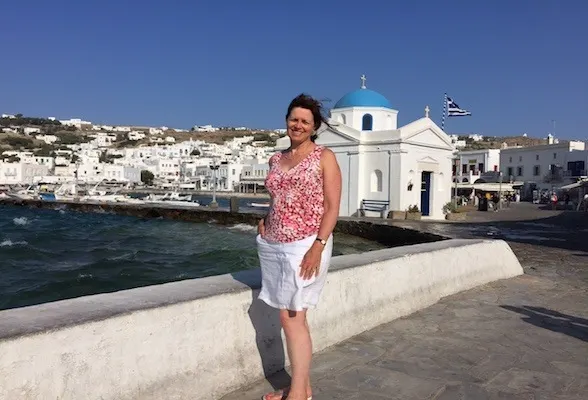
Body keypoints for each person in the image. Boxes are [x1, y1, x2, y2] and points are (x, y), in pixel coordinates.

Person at [257, 93, 342, 400]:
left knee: (293, 317)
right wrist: (266, 219)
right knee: (289, 315)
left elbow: (332, 207)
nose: (298, 125)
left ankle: (298, 394)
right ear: (286, 121)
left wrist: (318, 246)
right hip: (275, 243)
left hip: (306, 243)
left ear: (314, 126)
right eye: (294, 119)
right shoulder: (276, 159)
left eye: (305, 121)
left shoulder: (324, 157)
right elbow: (277, 197)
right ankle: (300, 387)